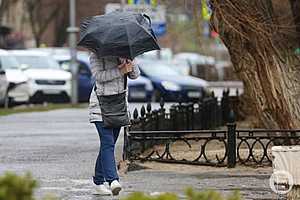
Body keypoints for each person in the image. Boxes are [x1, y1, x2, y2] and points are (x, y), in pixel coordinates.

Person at [88, 53, 140, 196]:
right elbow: (98, 77)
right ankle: (113, 181)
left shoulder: (125, 53)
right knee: (108, 143)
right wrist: (120, 71)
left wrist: (131, 61)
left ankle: (98, 182)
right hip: (101, 106)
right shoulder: (96, 56)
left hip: (118, 106)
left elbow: (135, 75)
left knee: (107, 146)